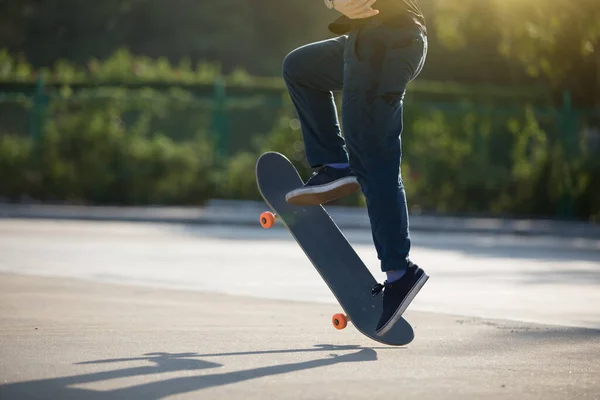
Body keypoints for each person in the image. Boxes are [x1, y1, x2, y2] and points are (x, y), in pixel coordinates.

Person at [282, 0, 429, 335]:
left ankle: (399, 272)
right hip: (363, 42)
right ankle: (333, 163)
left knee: (373, 155)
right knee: (301, 67)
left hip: (388, 41)